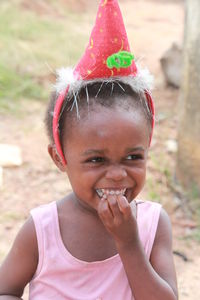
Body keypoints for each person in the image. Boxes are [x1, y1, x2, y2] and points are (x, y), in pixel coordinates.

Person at [0, 0, 178, 299]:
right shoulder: (43, 230)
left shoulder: (152, 225)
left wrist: (129, 244)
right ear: (60, 158)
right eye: (96, 159)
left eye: (133, 157)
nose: (118, 173)